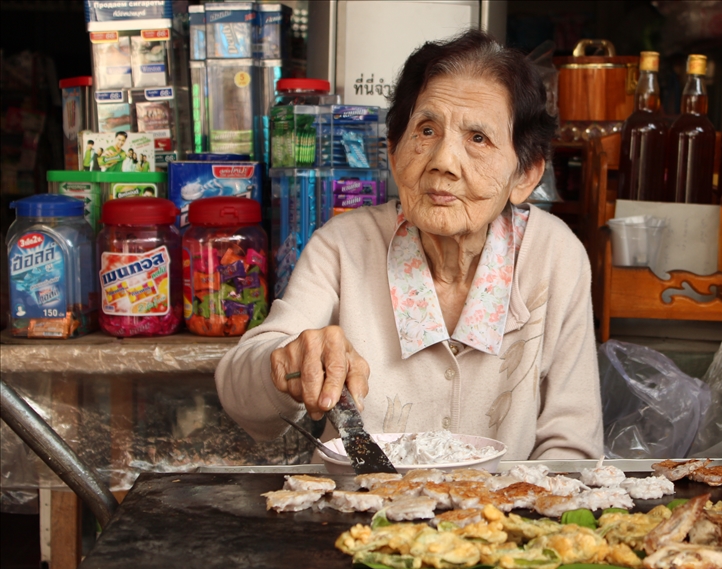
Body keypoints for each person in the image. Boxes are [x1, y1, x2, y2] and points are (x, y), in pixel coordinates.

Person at [216, 30, 603, 461]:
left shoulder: (555, 256)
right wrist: (286, 361)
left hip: (504, 521)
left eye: (478, 139)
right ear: (395, 154)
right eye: (426, 130)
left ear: (526, 176)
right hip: (356, 519)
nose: (442, 161)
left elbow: (572, 446)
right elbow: (239, 392)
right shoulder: (344, 245)